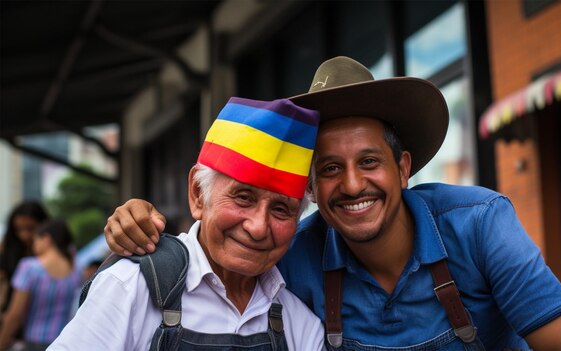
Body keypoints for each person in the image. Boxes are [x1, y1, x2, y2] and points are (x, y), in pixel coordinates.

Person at [105, 56, 561, 350]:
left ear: (403, 168)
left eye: (369, 162)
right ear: (311, 190)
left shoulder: (479, 223)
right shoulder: (292, 257)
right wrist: (139, 222)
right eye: (328, 169)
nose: (351, 184)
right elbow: (218, 256)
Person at [49, 97, 325, 350]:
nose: (258, 227)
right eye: (243, 198)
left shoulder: (300, 325)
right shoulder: (130, 289)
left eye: (280, 210)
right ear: (197, 193)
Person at [0, 220, 81, 351]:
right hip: (64, 340)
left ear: (46, 239)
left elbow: (15, 314)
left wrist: (2, 342)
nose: (33, 246)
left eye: (35, 241)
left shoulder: (29, 267)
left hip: (35, 341)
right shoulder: (75, 269)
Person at [0, 202, 49, 319]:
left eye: (30, 228)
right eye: (19, 229)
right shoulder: (7, 248)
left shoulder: (52, 254)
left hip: (38, 318)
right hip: (9, 316)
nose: (24, 235)